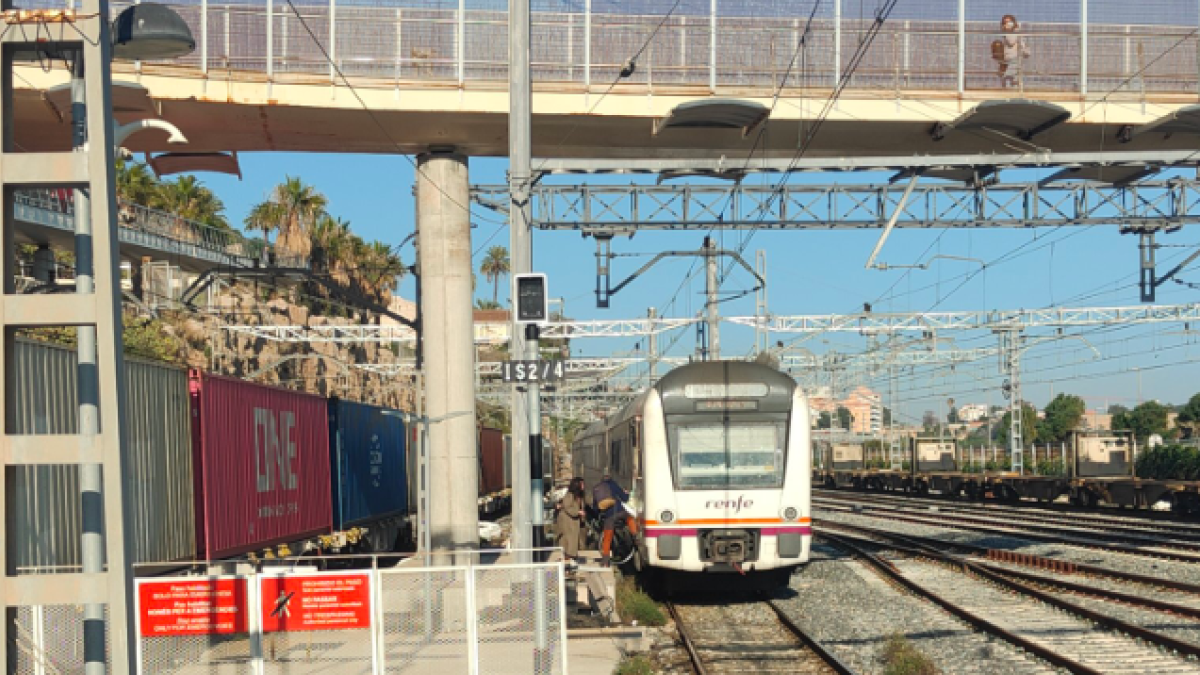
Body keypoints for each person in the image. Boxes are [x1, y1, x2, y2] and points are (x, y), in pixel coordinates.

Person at [592, 470, 638, 567]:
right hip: (619, 512)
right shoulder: (613, 484)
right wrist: (626, 493)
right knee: (630, 517)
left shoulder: (597, 488)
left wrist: (599, 514)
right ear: (610, 476)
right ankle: (635, 535)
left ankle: (605, 560)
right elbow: (624, 498)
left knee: (607, 537)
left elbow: (595, 507)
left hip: (608, 516)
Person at [994, 14, 1031, 88]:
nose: (1007, 24)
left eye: (1009, 22)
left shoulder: (1014, 31)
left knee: (1009, 77)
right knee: (1013, 78)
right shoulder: (1009, 31)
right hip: (1010, 57)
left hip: (1015, 56)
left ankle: (1010, 94)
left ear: (1013, 23)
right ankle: (1013, 93)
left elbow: (1011, 42)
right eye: (1005, 22)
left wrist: (1008, 31)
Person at [555, 477, 586, 563]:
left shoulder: (579, 495)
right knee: (568, 540)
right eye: (582, 484)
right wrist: (578, 512)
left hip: (574, 521)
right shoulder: (569, 495)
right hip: (567, 521)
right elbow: (567, 507)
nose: (583, 486)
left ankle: (570, 558)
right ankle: (568, 559)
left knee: (573, 539)